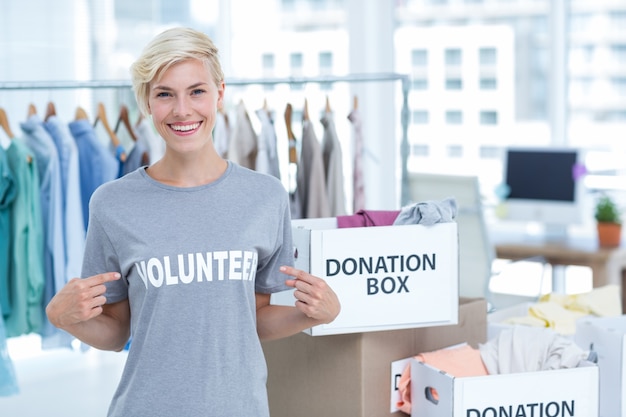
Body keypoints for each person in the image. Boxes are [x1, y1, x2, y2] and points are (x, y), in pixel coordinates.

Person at [45, 26, 341, 417]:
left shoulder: (266, 197)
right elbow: (118, 330)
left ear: (220, 93)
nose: (182, 110)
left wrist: (314, 314)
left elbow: (252, 319)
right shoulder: (112, 204)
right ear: (147, 104)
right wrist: (63, 319)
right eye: (165, 94)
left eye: (196, 91)